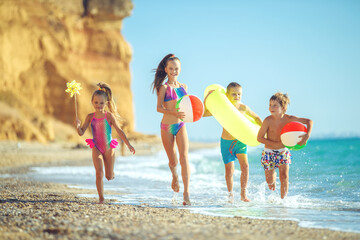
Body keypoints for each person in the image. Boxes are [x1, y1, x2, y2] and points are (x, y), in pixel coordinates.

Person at [75, 82, 135, 203]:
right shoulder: (90, 117)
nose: (98, 105)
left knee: (108, 176)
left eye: (101, 103)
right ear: (92, 102)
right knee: (99, 173)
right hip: (96, 147)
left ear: (106, 103)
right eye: (96, 102)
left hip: (108, 148)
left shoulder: (109, 116)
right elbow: (81, 133)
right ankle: (101, 198)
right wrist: (78, 126)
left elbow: (119, 131)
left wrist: (128, 144)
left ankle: (111, 172)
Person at [203, 82, 262, 202]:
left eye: (239, 94)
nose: (237, 96)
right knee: (229, 171)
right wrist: (207, 99)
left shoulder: (243, 108)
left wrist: (264, 131)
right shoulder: (222, 108)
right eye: (234, 94)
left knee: (245, 166)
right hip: (226, 143)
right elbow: (204, 114)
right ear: (227, 95)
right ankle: (230, 195)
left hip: (240, 141)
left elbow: (256, 118)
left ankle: (243, 194)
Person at [152, 54, 191, 205]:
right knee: (173, 161)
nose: (174, 71)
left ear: (180, 69)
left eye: (176, 68)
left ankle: (186, 194)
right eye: (171, 69)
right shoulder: (164, 88)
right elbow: (158, 108)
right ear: (166, 70)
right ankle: (175, 176)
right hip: (167, 127)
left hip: (181, 125)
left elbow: (188, 106)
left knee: (184, 157)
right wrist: (173, 112)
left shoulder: (184, 87)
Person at [257, 92, 313, 199]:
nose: (271, 107)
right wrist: (275, 144)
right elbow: (259, 138)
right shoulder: (267, 120)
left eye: (275, 105)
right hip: (269, 152)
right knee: (270, 183)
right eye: (270, 105)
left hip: (283, 151)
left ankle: (284, 201)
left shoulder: (289, 119)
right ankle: (273, 177)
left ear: (283, 107)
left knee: (285, 177)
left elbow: (309, 121)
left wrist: (307, 136)